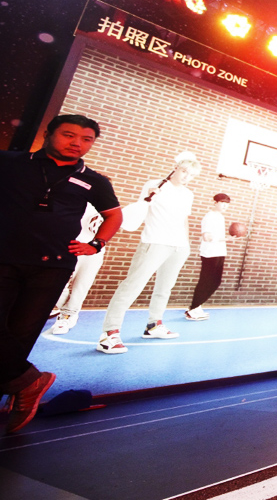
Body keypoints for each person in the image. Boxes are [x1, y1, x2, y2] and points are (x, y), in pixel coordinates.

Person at [0, 115, 122, 433]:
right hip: (4, 259)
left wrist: (96, 244)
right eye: (69, 135)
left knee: (22, 335)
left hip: (52, 266)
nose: (77, 143)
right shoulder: (10, 163)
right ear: (49, 133)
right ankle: (30, 382)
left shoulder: (94, 180)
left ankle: (17, 395)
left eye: (86, 139)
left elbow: (113, 216)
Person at [98, 152, 200, 354]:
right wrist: (150, 195)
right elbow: (140, 210)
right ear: (176, 168)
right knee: (132, 286)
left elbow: (184, 220)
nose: (186, 177)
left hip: (178, 246)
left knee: (164, 288)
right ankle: (109, 333)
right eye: (184, 171)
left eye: (191, 175)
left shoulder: (188, 194)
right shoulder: (155, 185)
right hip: (154, 242)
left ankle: (154, 325)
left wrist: (186, 245)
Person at [49, 204, 106, 334]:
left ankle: (67, 315)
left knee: (81, 285)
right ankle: (65, 309)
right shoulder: (74, 200)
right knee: (56, 282)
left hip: (93, 251)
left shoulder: (106, 204)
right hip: (68, 247)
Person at [185, 193, 231, 321]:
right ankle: (193, 309)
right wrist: (226, 239)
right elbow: (206, 237)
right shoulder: (209, 217)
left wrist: (225, 239)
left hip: (219, 252)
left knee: (214, 282)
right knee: (207, 282)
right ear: (215, 203)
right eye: (222, 203)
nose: (225, 206)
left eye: (227, 204)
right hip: (210, 253)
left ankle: (196, 306)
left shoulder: (220, 217)